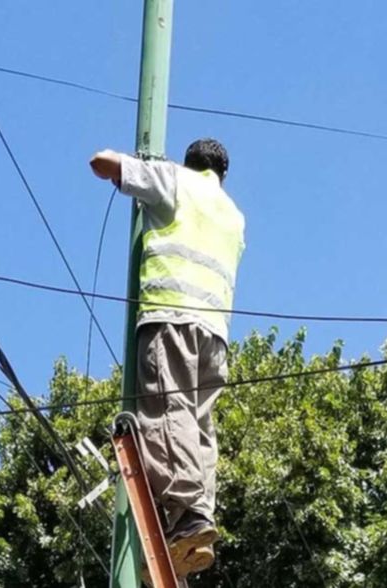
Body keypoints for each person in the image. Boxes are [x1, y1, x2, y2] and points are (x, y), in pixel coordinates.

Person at [90, 138, 245, 578]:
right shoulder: (233, 214)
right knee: (197, 426)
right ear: (222, 172)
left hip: (171, 313)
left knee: (166, 410)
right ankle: (197, 518)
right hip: (215, 334)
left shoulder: (178, 181)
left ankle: (185, 513)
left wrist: (144, 166)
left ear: (189, 162)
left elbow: (101, 163)